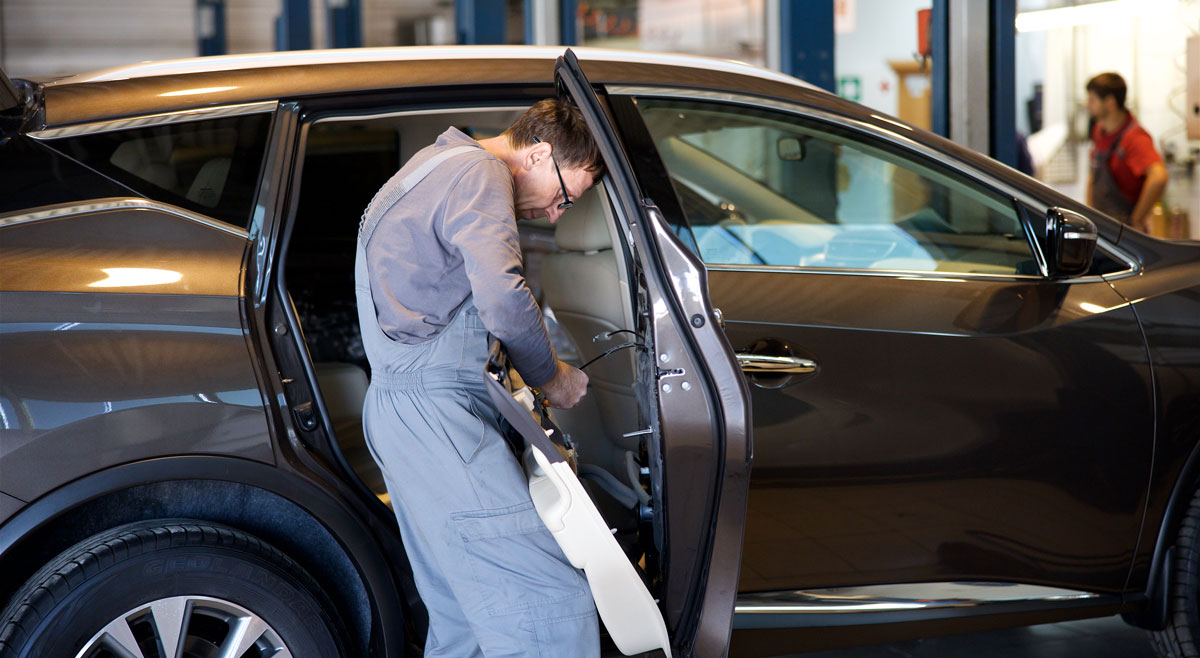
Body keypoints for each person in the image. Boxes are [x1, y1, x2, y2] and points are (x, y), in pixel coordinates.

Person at [355, 99, 605, 657]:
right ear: (538, 154)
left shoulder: (429, 165)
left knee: (465, 620)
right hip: (439, 419)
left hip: (406, 415)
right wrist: (552, 378)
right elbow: (502, 296)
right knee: (545, 609)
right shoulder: (479, 172)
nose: (556, 213)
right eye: (565, 196)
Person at [1084, 72, 1168, 232]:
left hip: (1123, 234)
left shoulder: (1134, 137)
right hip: (1101, 228)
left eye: (1092, 100)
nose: (1088, 105)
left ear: (1109, 102)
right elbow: (1093, 174)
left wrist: (1136, 219)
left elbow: (1159, 177)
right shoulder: (1099, 131)